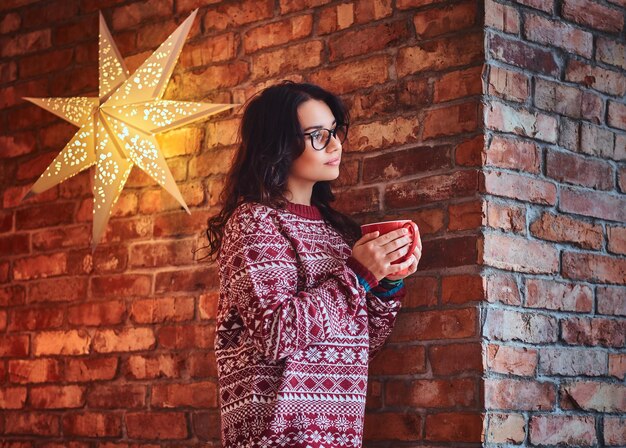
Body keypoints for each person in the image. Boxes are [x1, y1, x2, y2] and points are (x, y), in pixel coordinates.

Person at [204, 80, 422, 448]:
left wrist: (385, 282)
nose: (335, 145)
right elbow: (276, 334)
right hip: (274, 436)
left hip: (339, 433)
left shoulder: (337, 233)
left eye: (334, 132)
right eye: (318, 135)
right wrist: (358, 275)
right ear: (279, 145)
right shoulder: (254, 221)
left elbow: (362, 343)